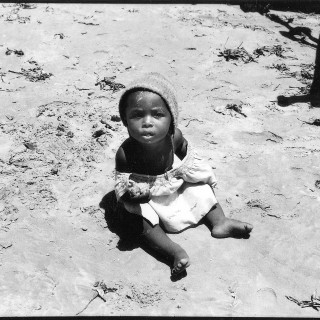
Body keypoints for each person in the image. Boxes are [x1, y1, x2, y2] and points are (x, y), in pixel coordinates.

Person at [114, 72, 253, 276]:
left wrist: (189, 172)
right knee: (139, 219)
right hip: (148, 198)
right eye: (137, 115)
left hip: (171, 183)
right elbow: (122, 187)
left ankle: (220, 222)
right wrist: (134, 195)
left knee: (201, 188)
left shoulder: (175, 138)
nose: (147, 122)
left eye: (157, 114)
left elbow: (188, 158)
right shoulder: (126, 153)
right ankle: (173, 251)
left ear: (172, 120)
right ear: (125, 121)